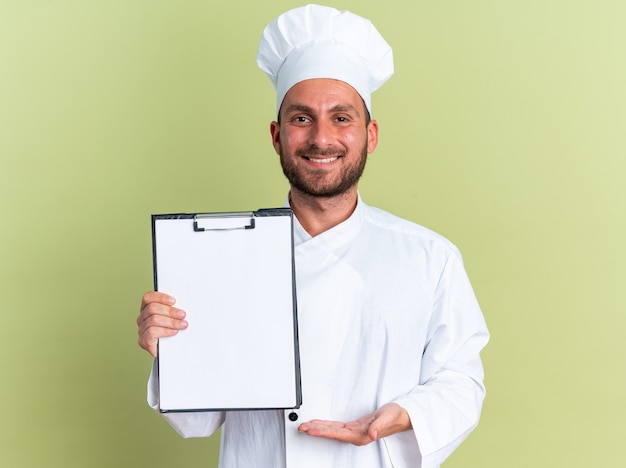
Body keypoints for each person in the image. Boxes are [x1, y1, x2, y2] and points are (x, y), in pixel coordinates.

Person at [136, 4, 489, 468]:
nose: (322, 138)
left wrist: (400, 416)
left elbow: (461, 382)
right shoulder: (220, 257)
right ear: (277, 136)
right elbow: (197, 420)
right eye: (301, 119)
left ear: (371, 135)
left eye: (341, 118)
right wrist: (170, 352)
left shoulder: (429, 258)